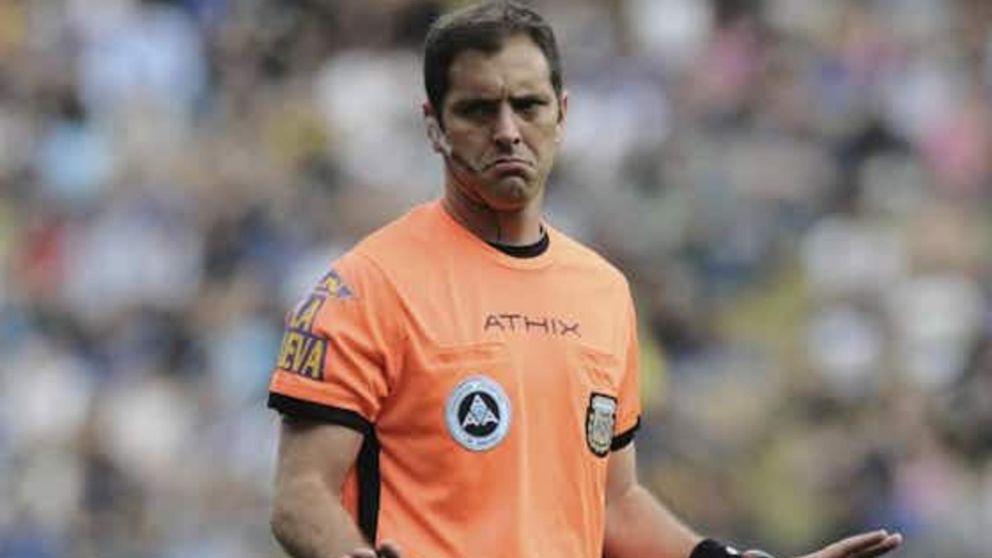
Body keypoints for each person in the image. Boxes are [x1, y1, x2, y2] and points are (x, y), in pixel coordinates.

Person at [266, 3, 904, 558]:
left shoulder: (600, 292)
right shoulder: (369, 285)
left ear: (562, 114)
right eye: (478, 110)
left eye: (528, 105)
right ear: (434, 124)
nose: (508, 130)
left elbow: (614, 503)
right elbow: (301, 495)